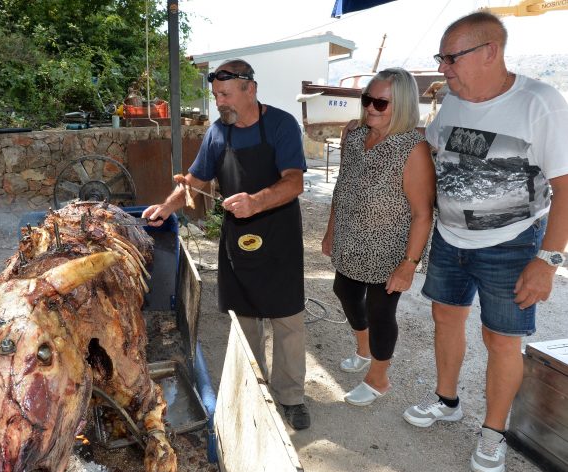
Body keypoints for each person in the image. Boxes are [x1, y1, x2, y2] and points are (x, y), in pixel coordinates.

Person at [401, 12, 568, 472]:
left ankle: (493, 432)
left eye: (451, 58)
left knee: (501, 340)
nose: (444, 69)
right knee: (444, 317)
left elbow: (566, 186)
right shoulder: (453, 100)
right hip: (450, 237)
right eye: (442, 58)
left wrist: (548, 260)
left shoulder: (540, 102)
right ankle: (447, 400)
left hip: (512, 243)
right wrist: (377, 130)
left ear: (490, 52)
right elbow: (429, 146)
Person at [142, 59, 311, 430]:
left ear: (250, 89)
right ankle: (257, 390)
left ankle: (291, 396)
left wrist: (256, 201)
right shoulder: (218, 133)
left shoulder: (281, 124)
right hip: (239, 239)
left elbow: (294, 182)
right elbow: (193, 180)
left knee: (286, 320)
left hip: (279, 234)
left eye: (226, 95)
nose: (219, 103)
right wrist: (165, 208)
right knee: (245, 317)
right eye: (216, 95)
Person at [321, 68, 435, 407]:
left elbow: (423, 213)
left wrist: (409, 264)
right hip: (351, 238)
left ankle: (378, 378)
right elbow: (342, 188)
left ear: (400, 106)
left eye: (380, 103)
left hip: (390, 249)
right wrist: (330, 231)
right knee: (343, 290)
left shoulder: (413, 148)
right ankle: (364, 348)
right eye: (367, 99)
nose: (370, 108)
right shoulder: (354, 136)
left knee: (381, 310)